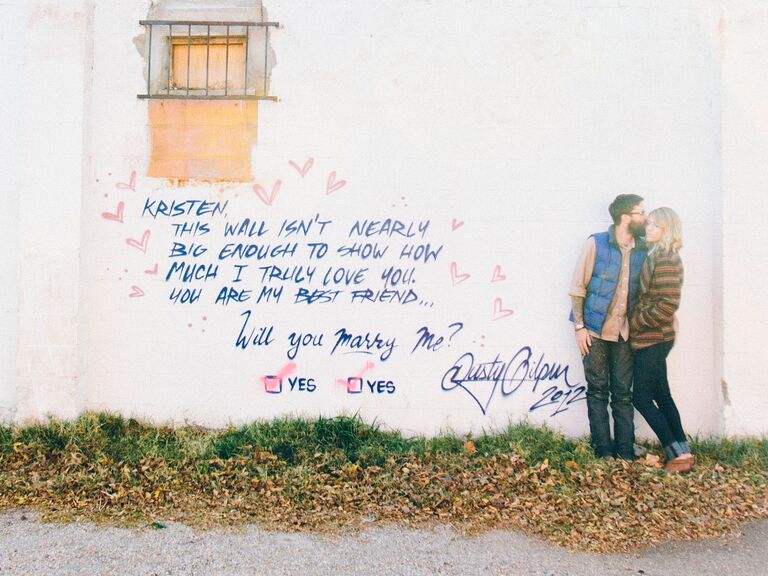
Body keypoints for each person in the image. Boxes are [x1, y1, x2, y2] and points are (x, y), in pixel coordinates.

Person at [569, 194, 648, 460]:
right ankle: (603, 450)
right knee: (598, 390)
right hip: (594, 331)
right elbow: (577, 287)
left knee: (624, 394)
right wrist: (580, 327)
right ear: (626, 217)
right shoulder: (597, 244)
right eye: (641, 212)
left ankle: (625, 450)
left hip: (625, 333)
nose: (645, 218)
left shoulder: (642, 249)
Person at [630, 207, 693, 473]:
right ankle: (682, 451)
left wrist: (636, 321)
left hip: (653, 338)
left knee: (641, 397)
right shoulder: (659, 254)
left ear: (667, 229)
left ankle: (675, 452)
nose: (648, 228)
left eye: (654, 225)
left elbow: (668, 305)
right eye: (648, 224)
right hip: (655, 337)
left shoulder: (666, 258)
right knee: (662, 395)